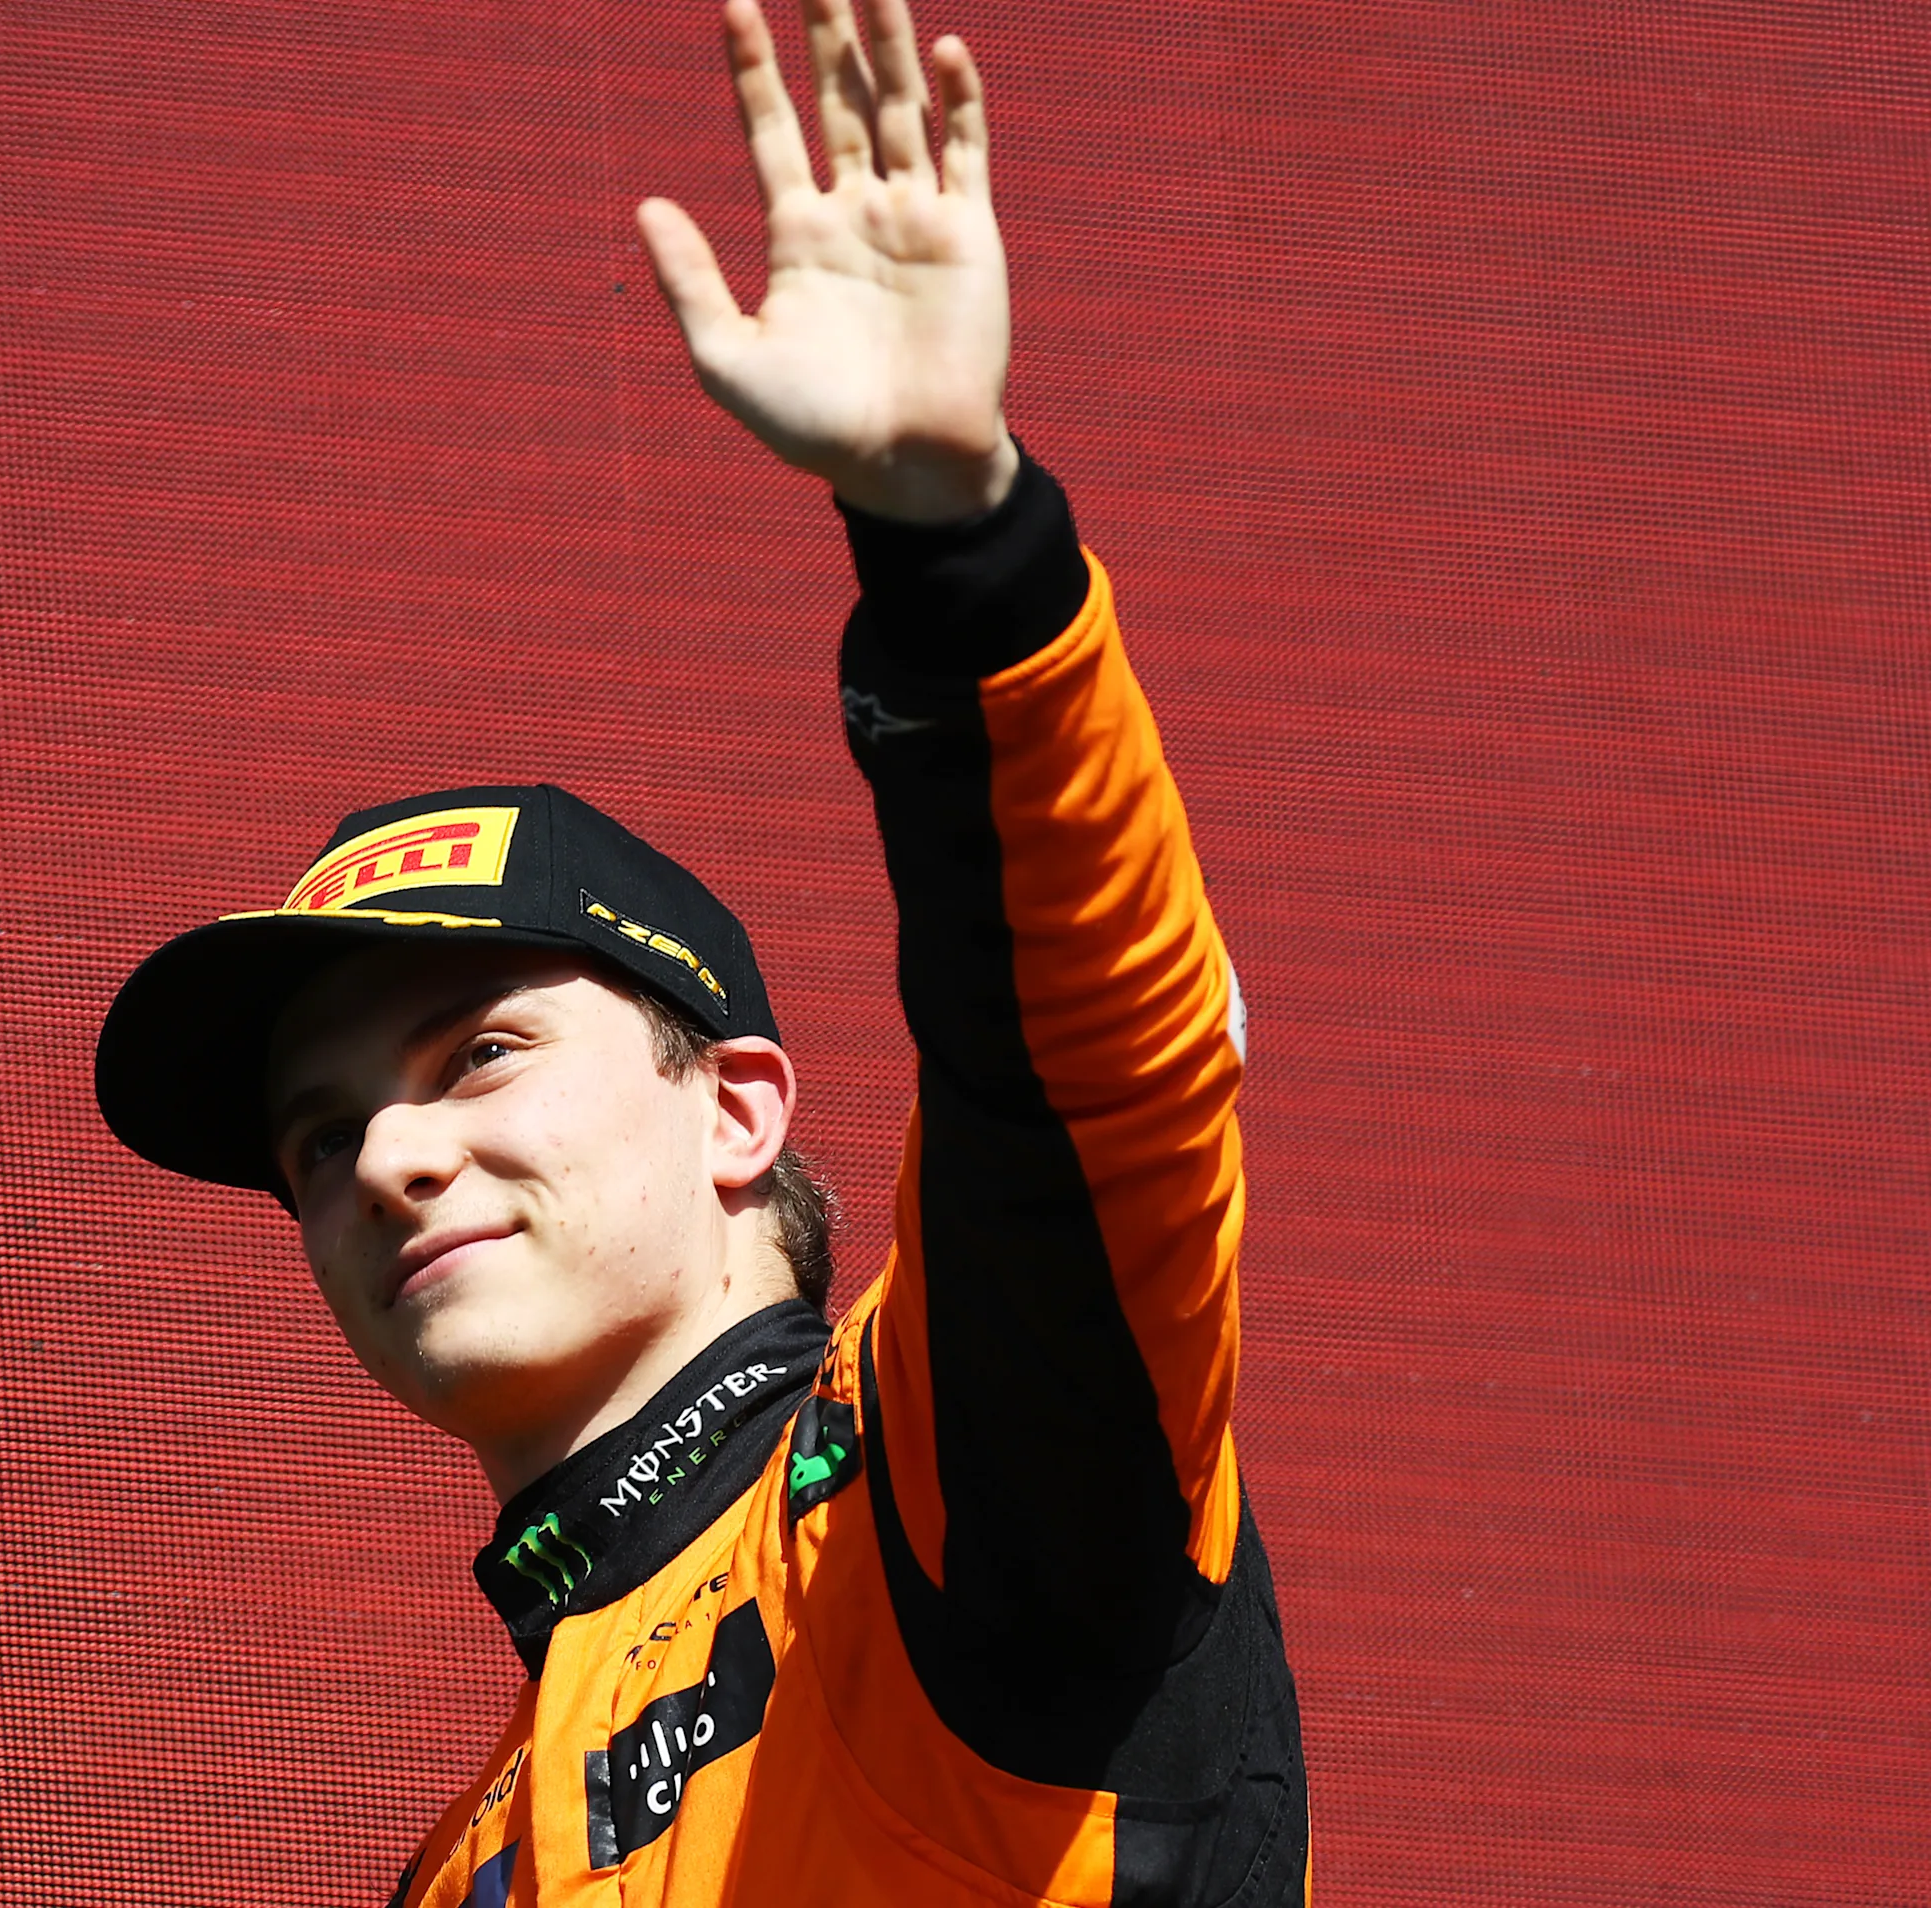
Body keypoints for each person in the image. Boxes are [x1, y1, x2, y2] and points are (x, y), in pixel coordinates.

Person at [93, 0, 1309, 1898]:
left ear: (738, 1109)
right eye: (319, 1138)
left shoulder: (926, 1501)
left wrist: (961, 556)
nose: (386, 1159)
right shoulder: (459, 1869)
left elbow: (1086, 1083)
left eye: (478, 1053)